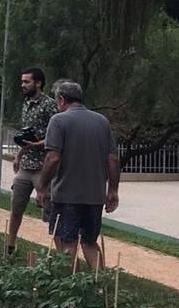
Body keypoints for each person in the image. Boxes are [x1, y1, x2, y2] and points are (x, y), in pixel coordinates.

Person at [35, 80, 119, 270]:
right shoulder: (101, 121)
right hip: (95, 196)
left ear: (61, 100)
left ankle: (69, 290)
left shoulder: (59, 120)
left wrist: (42, 187)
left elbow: (53, 158)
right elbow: (112, 159)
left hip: (67, 195)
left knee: (67, 241)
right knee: (90, 242)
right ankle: (101, 287)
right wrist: (112, 190)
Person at [8, 67, 57, 257]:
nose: (23, 85)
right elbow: (26, 134)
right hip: (26, 166)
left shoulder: (49, 105)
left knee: (50, 211)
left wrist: (39, 144)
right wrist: (19, 155)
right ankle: (10, 245)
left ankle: (58, 251)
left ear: (38, 83)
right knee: (16, 206)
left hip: (43, 167)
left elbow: (56, 135)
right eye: (22, 81)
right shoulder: (26, 104)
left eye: (26, 82)